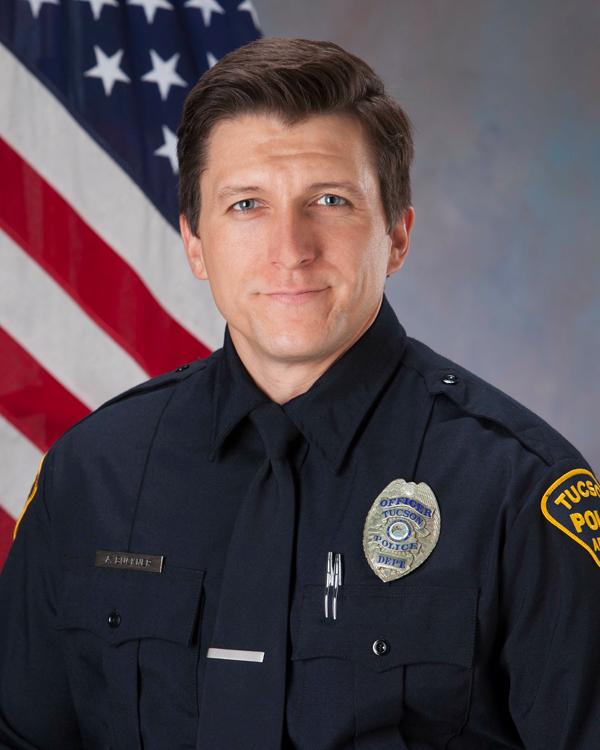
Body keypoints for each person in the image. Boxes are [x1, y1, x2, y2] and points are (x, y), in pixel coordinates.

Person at [0, 37, 599, 750]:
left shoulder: (519, 491)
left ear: (398, 234)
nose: (291, 248)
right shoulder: (91, 475)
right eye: (246, 203)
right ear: (195, 241)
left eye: (331, 200)